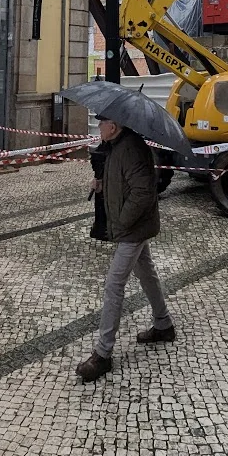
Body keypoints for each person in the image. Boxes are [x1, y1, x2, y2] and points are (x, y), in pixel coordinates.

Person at [76, 115, 175, 382]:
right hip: (134, 226)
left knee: (114, 284)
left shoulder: (131, 148)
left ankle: (103, 354)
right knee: (146, 273)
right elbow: (122, 182)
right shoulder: (117, 147)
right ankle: (163, 324)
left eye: (101, 123)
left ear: (114, 126)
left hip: (134, 228)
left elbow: (143, 192)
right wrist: (101, 184)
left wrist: (122, 221)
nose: (98, 128)